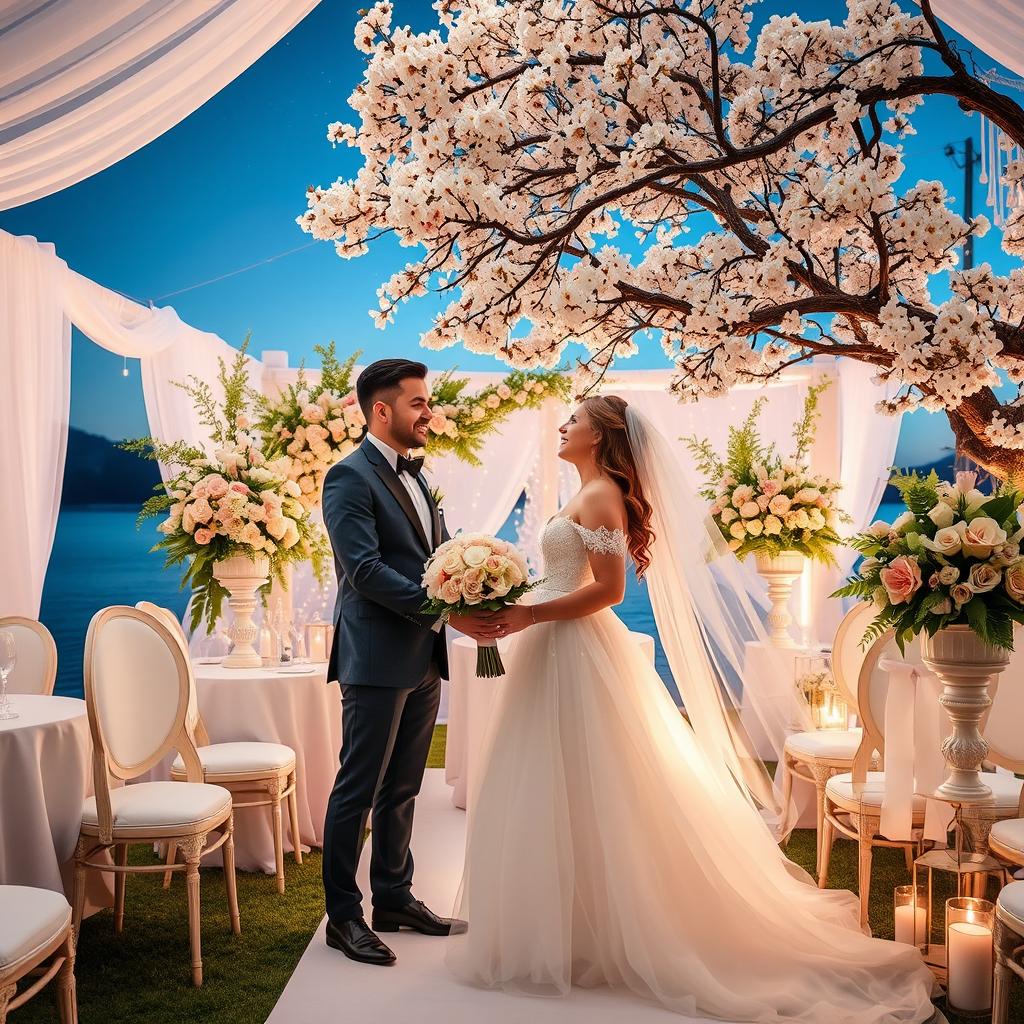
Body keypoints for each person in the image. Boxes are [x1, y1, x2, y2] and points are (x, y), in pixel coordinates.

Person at [446, 395, 941, 1024]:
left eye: (575, 421)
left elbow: (609, 590)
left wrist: (530, 613)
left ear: (601, 437)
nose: (565, 427)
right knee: (551, 781)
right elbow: (566, 575)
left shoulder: (601, 496)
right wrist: (507, 603)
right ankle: (571, 926)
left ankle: (613, 925)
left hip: (574, 651)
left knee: (597, 780)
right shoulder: (583, 491)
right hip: (549, 646)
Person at [320, 358, 490, 966]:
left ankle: (393, 896)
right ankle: (344, 916)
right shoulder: (347, 477)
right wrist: (445, 611)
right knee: (357, 789)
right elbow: (363, 571)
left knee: (403, 788)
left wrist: (472, 582)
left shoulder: (418, 476)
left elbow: (428, 558)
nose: (429, 412)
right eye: (418, 403)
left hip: (422, 658)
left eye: (428, 401)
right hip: (374, 656)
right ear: (381, 410)